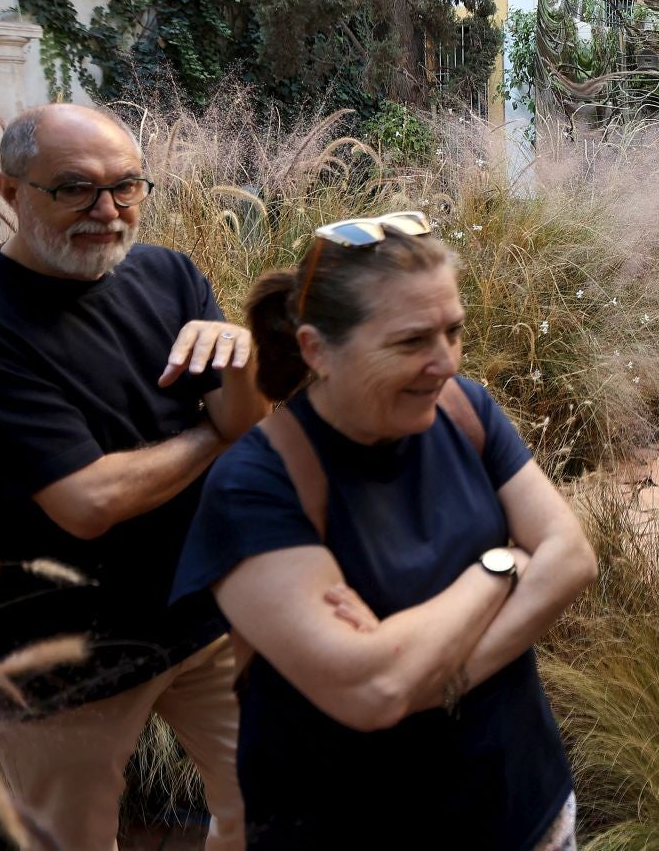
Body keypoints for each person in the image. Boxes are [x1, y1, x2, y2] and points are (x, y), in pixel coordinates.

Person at [171, 210, 598, 850]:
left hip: (526, 811)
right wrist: (501, 568)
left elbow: (570, 560)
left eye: (454, 331)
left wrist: (429, 677)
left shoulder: (464, 410)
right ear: (317, 349)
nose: (445, 362)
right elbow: (371, 690)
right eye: (410, 342)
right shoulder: (257, 484)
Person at [0, 103, 266, 850]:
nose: (107, 211)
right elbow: (89, 501)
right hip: (55, 661)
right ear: (10, 190)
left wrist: (244, 357)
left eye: (127, 186)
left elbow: (250, 419)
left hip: (198, 618)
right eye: (74, 189)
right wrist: (213, 431)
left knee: (274, 799)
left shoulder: (167, 275)